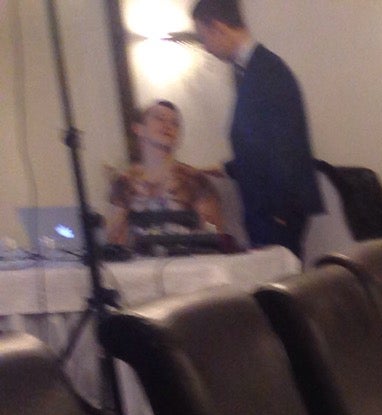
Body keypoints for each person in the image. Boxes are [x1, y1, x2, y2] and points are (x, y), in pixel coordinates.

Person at [190, 0, 321, 251]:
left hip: (275, 210)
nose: (206, 47)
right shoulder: (254, 69)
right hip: (269, 208)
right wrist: (225, 168)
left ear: (218, 28)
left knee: (279, 274)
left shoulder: (267, 71)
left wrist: (281, 211)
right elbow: (260, 143)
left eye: (203, 37)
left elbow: (286, 143)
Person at [103, 101, 225, 247]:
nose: (168, 125)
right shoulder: (124, 182)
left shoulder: (194, 179)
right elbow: (114, 239)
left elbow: (215, 236)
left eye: (175, 123)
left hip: (189, 258)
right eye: (159, 118)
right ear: (139, 129)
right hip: (140, 260)